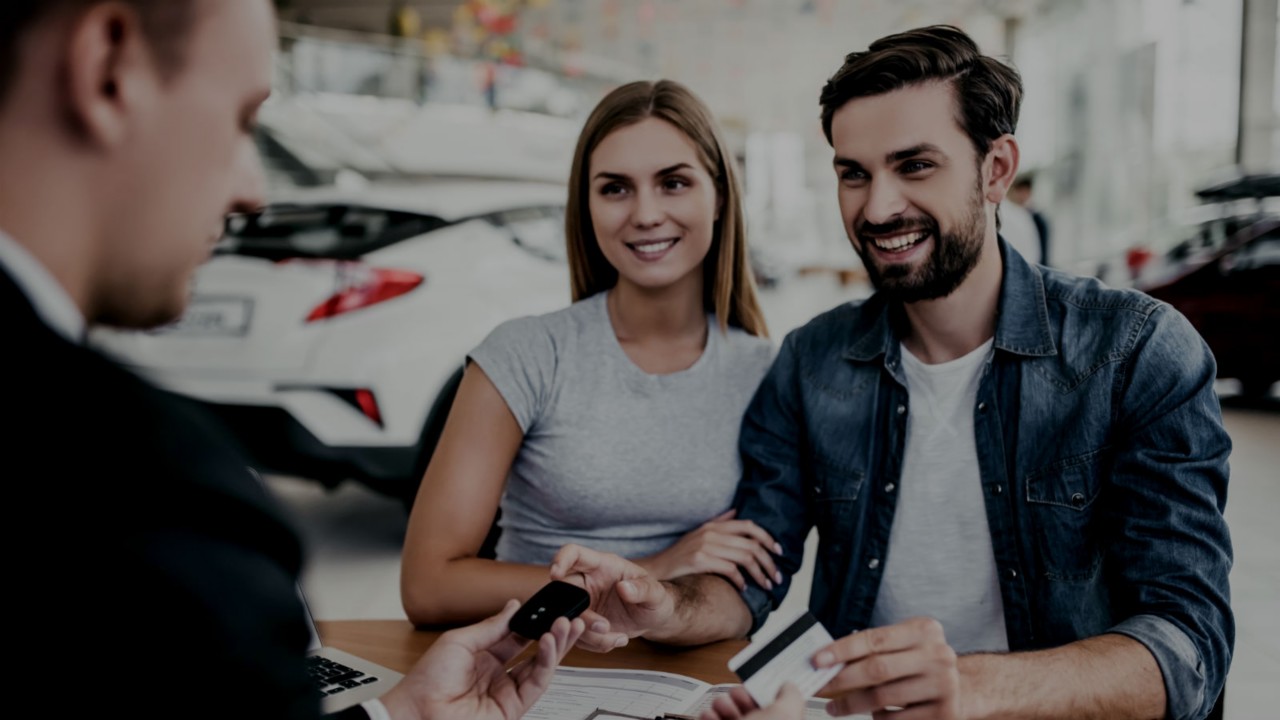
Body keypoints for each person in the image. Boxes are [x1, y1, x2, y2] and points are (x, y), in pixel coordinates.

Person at [552, 25, 1233, 720]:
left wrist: (970, 688)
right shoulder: (812, 361)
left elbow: (1189, 647)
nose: (877, 208)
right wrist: (660, 603)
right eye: (855, 173)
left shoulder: (1136, 351)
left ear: (996, 170)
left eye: (914, 166)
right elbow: (751, 575)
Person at [1, 1, 584, 719]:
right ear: (109, 67)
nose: (253, 192)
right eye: (243, 119)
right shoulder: (147, 502)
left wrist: (400, 715)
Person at [401, 79, 780, 627]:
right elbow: (429, 585)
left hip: (683, 676)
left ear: (718, 196)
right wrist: (643, 571)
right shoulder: (527, 354)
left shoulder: (765, 372)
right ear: (588, 206)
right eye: (615, 188)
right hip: (533, 668)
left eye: (673, 183)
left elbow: (755, 578)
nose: (646, 213)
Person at [1008, 174, 1051, 266]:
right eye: (1018, 191)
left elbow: (1042, 252)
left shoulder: (1038, 219)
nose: (1020, 195)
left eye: (1023, 191)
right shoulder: (1014, 215)